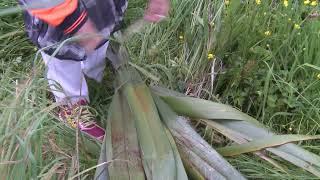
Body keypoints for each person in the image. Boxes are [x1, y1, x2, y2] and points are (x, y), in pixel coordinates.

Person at [19, 0, 170, 141]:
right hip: (56, 13)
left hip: (101, 7)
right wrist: (73, 20)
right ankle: (72, 105)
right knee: (63, 60)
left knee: (98, 43)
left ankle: (93, 78)